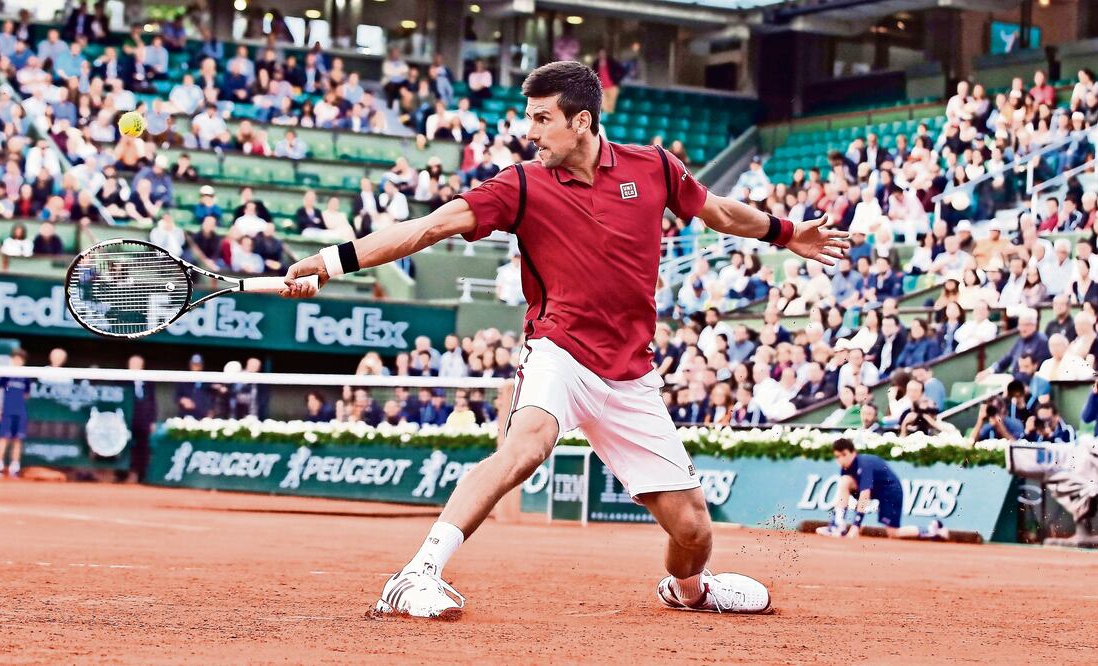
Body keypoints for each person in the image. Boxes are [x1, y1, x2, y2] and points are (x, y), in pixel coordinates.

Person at [280, 61, 847, 618]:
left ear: (581, 121)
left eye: (541, 118)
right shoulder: (521, 185)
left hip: (631, 373)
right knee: (526, 447)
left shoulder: (653, 166)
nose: (530, 131)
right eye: (529, 117)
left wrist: (787, 232)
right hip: (561, 351)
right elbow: (428, 226)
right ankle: (415, 574)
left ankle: (690, 592)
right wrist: (330, 263)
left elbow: (719, 212)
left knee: (694, 530)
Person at [817, 439, 949, 540]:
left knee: (893, 533)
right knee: (845, 481)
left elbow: (865, 495)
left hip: (891, 491)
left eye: (844, 454)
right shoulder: (845, 468)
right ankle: (837, 525)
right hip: (877, 490)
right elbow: (846, 493)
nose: (841, 459)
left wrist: (856, 526)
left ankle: (933, 529)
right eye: (837, 457)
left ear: (853, 452)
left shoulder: (864, 464)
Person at [0, 349, 31, 480]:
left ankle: (14, 469)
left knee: (18, 440)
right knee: (4, 438)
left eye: (20, 359)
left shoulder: (26, 376)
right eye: (15, 359)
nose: (18, 361)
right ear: (12, 360)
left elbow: (26, 395)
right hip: (7, 411)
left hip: (20, 412)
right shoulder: (7, 374)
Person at [123, 355, 158, 483]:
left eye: (137, 364)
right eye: (132, 364)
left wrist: (152, 421)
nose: (134, 367)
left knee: (142, 448)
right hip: (127, 420)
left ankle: (140, 474)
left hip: (143, 420)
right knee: (126, 447)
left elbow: (153, 402)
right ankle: (125, 473)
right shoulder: (123, 381)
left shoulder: (148, 383)